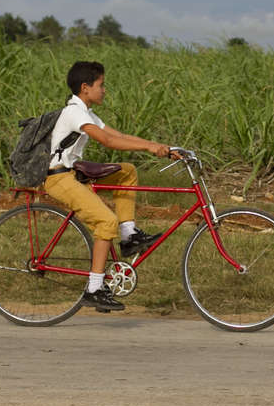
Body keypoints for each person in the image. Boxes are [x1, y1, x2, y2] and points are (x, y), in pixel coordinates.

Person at [43, 61, 177, 312]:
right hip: (59, 178)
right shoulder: (74, 112)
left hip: (73, 173)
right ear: (85, 87)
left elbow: (119, 136)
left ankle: (129, 236)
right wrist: (148, 147)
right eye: (101, 85)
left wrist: (160, 147)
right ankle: (94, 288)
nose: (105, 90)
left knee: (127, 172)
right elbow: (108, 141)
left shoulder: (86, 112)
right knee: (106, 222)